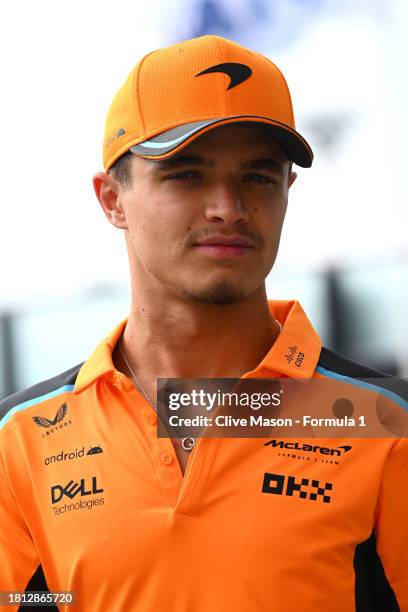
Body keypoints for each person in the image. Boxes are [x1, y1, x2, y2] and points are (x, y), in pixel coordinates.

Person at [0, 34, 407, 612]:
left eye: (258, 177)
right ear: (112, 199)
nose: (228, 207)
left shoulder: (386, 423)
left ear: (288, 190)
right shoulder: (21, 438)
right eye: (186, 175)